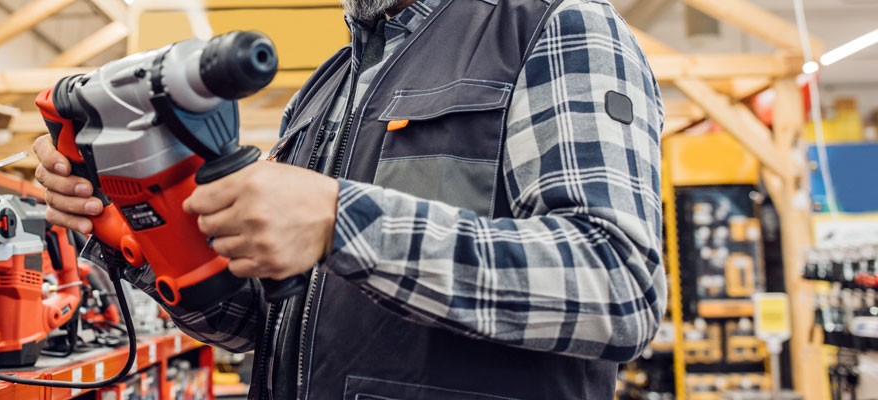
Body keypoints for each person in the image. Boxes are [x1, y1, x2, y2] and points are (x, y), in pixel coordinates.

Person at [34, 0, 665, 397]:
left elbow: (618, 288)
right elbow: (254, 324)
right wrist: (136, 227)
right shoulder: (323, 90)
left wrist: (343, 219)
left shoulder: (554, 25)